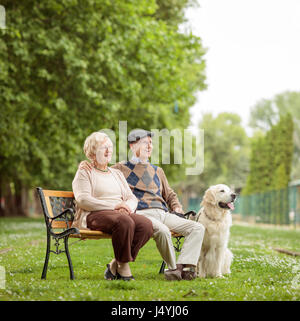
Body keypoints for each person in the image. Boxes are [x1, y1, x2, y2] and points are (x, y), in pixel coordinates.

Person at [80, 129, 205, 281]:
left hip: (163, 213)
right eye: (145, 143)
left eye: (151, 143)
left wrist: (177, 207)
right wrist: (85, 163)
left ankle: (183, 266)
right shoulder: (120, 168)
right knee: (163, 231)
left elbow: (170, 195)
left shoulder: (158, 171)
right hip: (141, 213)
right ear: (132, 146)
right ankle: (173, 269)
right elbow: (101, 171)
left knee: (197, 228)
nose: (149, 146)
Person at [72, 131, 153, 281]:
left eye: (110, 147)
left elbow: (131, 197)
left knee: (146, 225)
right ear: (92, 152)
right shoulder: (84, 172)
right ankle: (124, 268)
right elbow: (83, 199)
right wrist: (115, 206)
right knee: (125, 222)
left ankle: (115, 264)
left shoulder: (116, 173)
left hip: (121, 213)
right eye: (103, 148)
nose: (109, 151)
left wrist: (126, 207)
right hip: (95, 214)